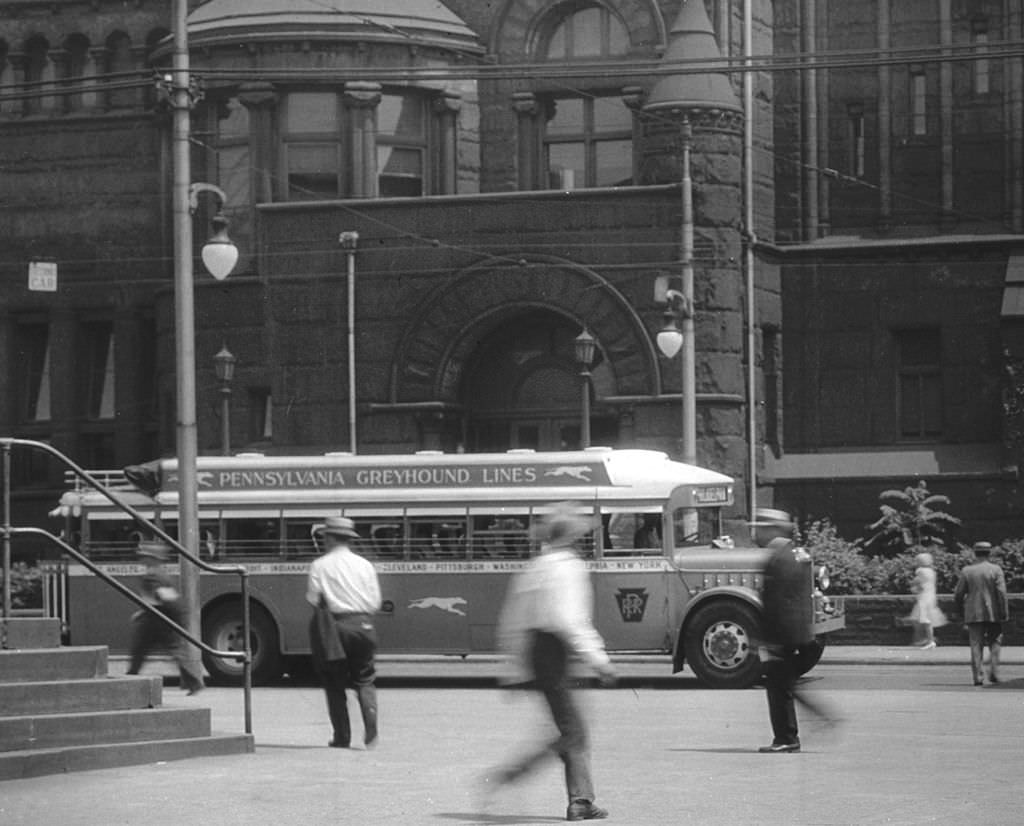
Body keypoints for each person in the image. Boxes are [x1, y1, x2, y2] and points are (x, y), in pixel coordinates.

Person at [487, 502, 618, 822]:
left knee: (571, 728)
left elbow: (513, 620)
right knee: (573, 731)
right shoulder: (570, 568)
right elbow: (570, 619)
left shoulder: (535, 566)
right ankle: (513, 775)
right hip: (556, 652)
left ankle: (581, 801)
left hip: (536, 651)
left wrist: (513, 669)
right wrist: (599, 659)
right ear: (574, 536)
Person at [751, 508, 832, 754]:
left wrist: (771, 640)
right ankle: (808, 725)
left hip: (784, 636)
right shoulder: (796, 554)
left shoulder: (778, 558)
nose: (758, 531)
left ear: (774, 530)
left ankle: (787, 738)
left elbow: (778, 603)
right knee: (784, 685)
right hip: (797, 633)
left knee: (778, 686)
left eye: (762, 527)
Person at [306, 516, 383, 748]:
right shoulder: (365, 565)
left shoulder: (319, 565)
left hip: (335, 628)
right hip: (363, 626)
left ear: (329, 538)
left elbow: (312, 599)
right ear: (349, 539)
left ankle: (342, 736)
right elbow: (374, 602)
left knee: (334, 683)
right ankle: (371, 729)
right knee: (365, 679)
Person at [126, 539, 204, 695]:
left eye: (146, 555)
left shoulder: (154, 576)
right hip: (156, 617)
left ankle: (129, 681)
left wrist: (147, 611)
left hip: (156, 620)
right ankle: (193, 682)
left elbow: (163, 598)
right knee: (165, 651)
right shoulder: (157, 574)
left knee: (140, 651)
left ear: (153, 558)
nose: (142, 558)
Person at [954, 541, 1010, 685]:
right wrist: (1004, 611)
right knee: (995, 642)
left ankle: (978, 676)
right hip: (993, 613)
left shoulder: (967, 571)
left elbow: (958, 594)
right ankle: (994, 671)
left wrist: (960, 611)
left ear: (975, 553)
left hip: (973, 613)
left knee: (976, 644)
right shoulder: (996, 570)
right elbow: (1001, 593)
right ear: (989, 553)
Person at [908, 551, 946, 649]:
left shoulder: (920, 571)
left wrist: (914, 587)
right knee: (920, 619)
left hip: (923, 597)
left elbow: (918, 583)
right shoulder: (932, 572)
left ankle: (930, 640)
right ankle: (925, 639)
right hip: (931, 596)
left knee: (925, 620)